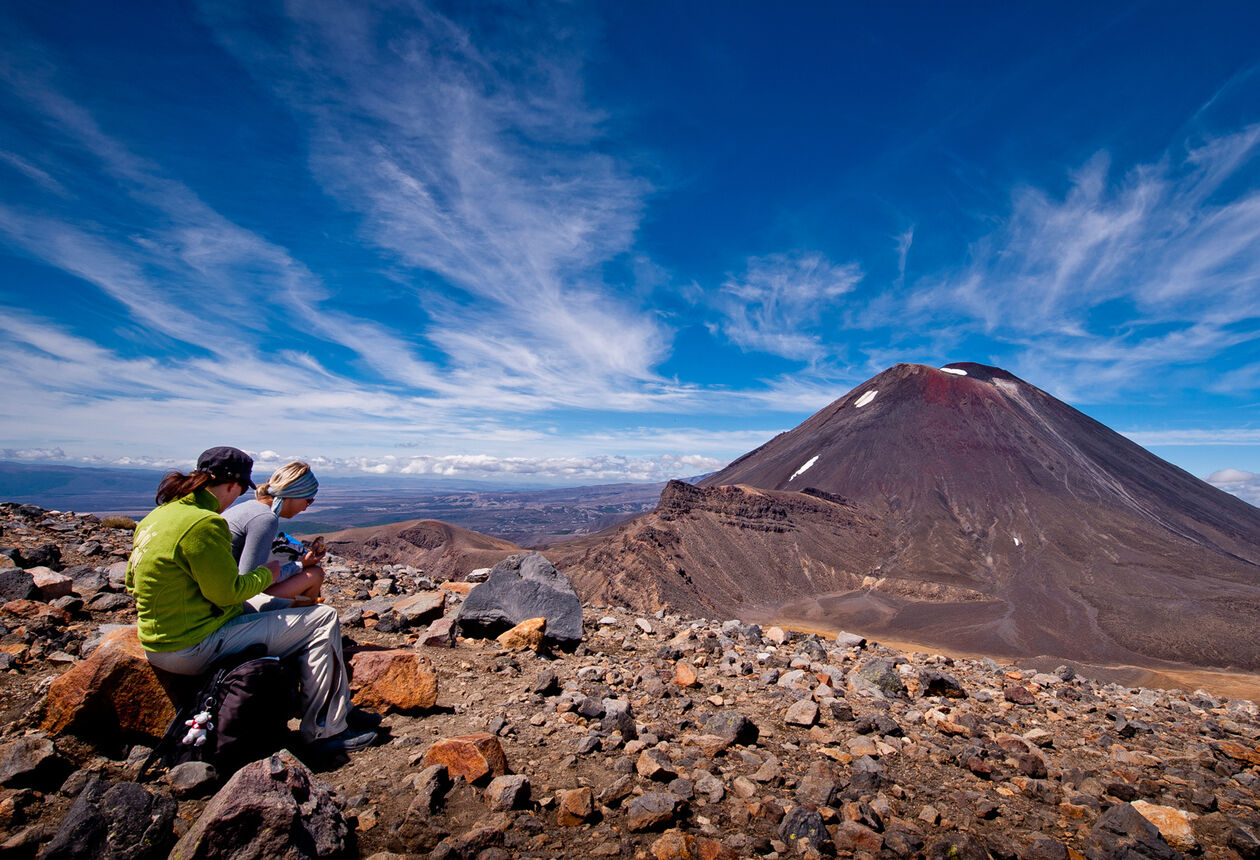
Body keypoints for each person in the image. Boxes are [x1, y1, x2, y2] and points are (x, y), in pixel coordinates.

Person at [125, 446, 374, 753]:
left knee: (292, 616)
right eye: (241, 488)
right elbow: (232, 590)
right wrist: (270, 573)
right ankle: (326, 730)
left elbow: (131, 581)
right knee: (322, 618)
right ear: (232, 484)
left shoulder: (159, 516)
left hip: (157, 640)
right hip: (192, 645)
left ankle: (329, 703)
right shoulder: (205, 523)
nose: (241, 496)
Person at [223, 461, 324, 605]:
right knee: (314, 574)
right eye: (308, 500)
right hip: (232, 602)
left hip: (221, 592)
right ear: (294, 494)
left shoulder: (250, 507)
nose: (305, 508)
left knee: (307, 595)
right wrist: (300, 564)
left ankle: (307, 603)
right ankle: (305, 611)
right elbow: (248, 580)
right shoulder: (265, 518)